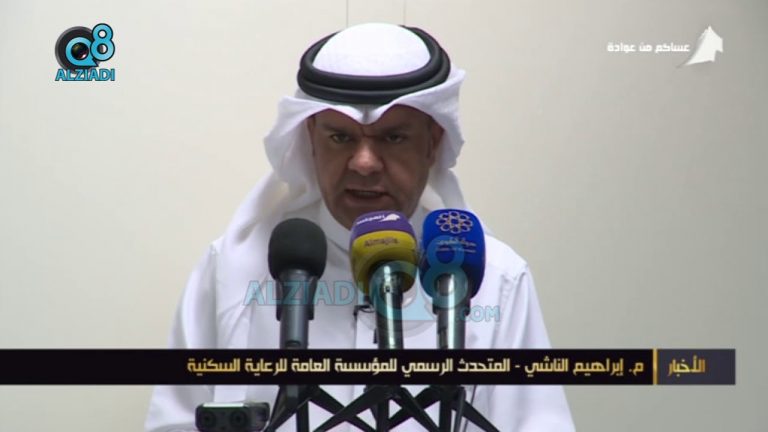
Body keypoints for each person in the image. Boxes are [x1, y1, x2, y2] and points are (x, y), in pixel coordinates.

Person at [145, 23, 575, 431]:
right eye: (340, 137)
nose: (364, 163)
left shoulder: (495, 280)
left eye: (393, 138)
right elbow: (174, 422)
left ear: (433, 142)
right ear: (311, 139)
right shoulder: (234, 269)